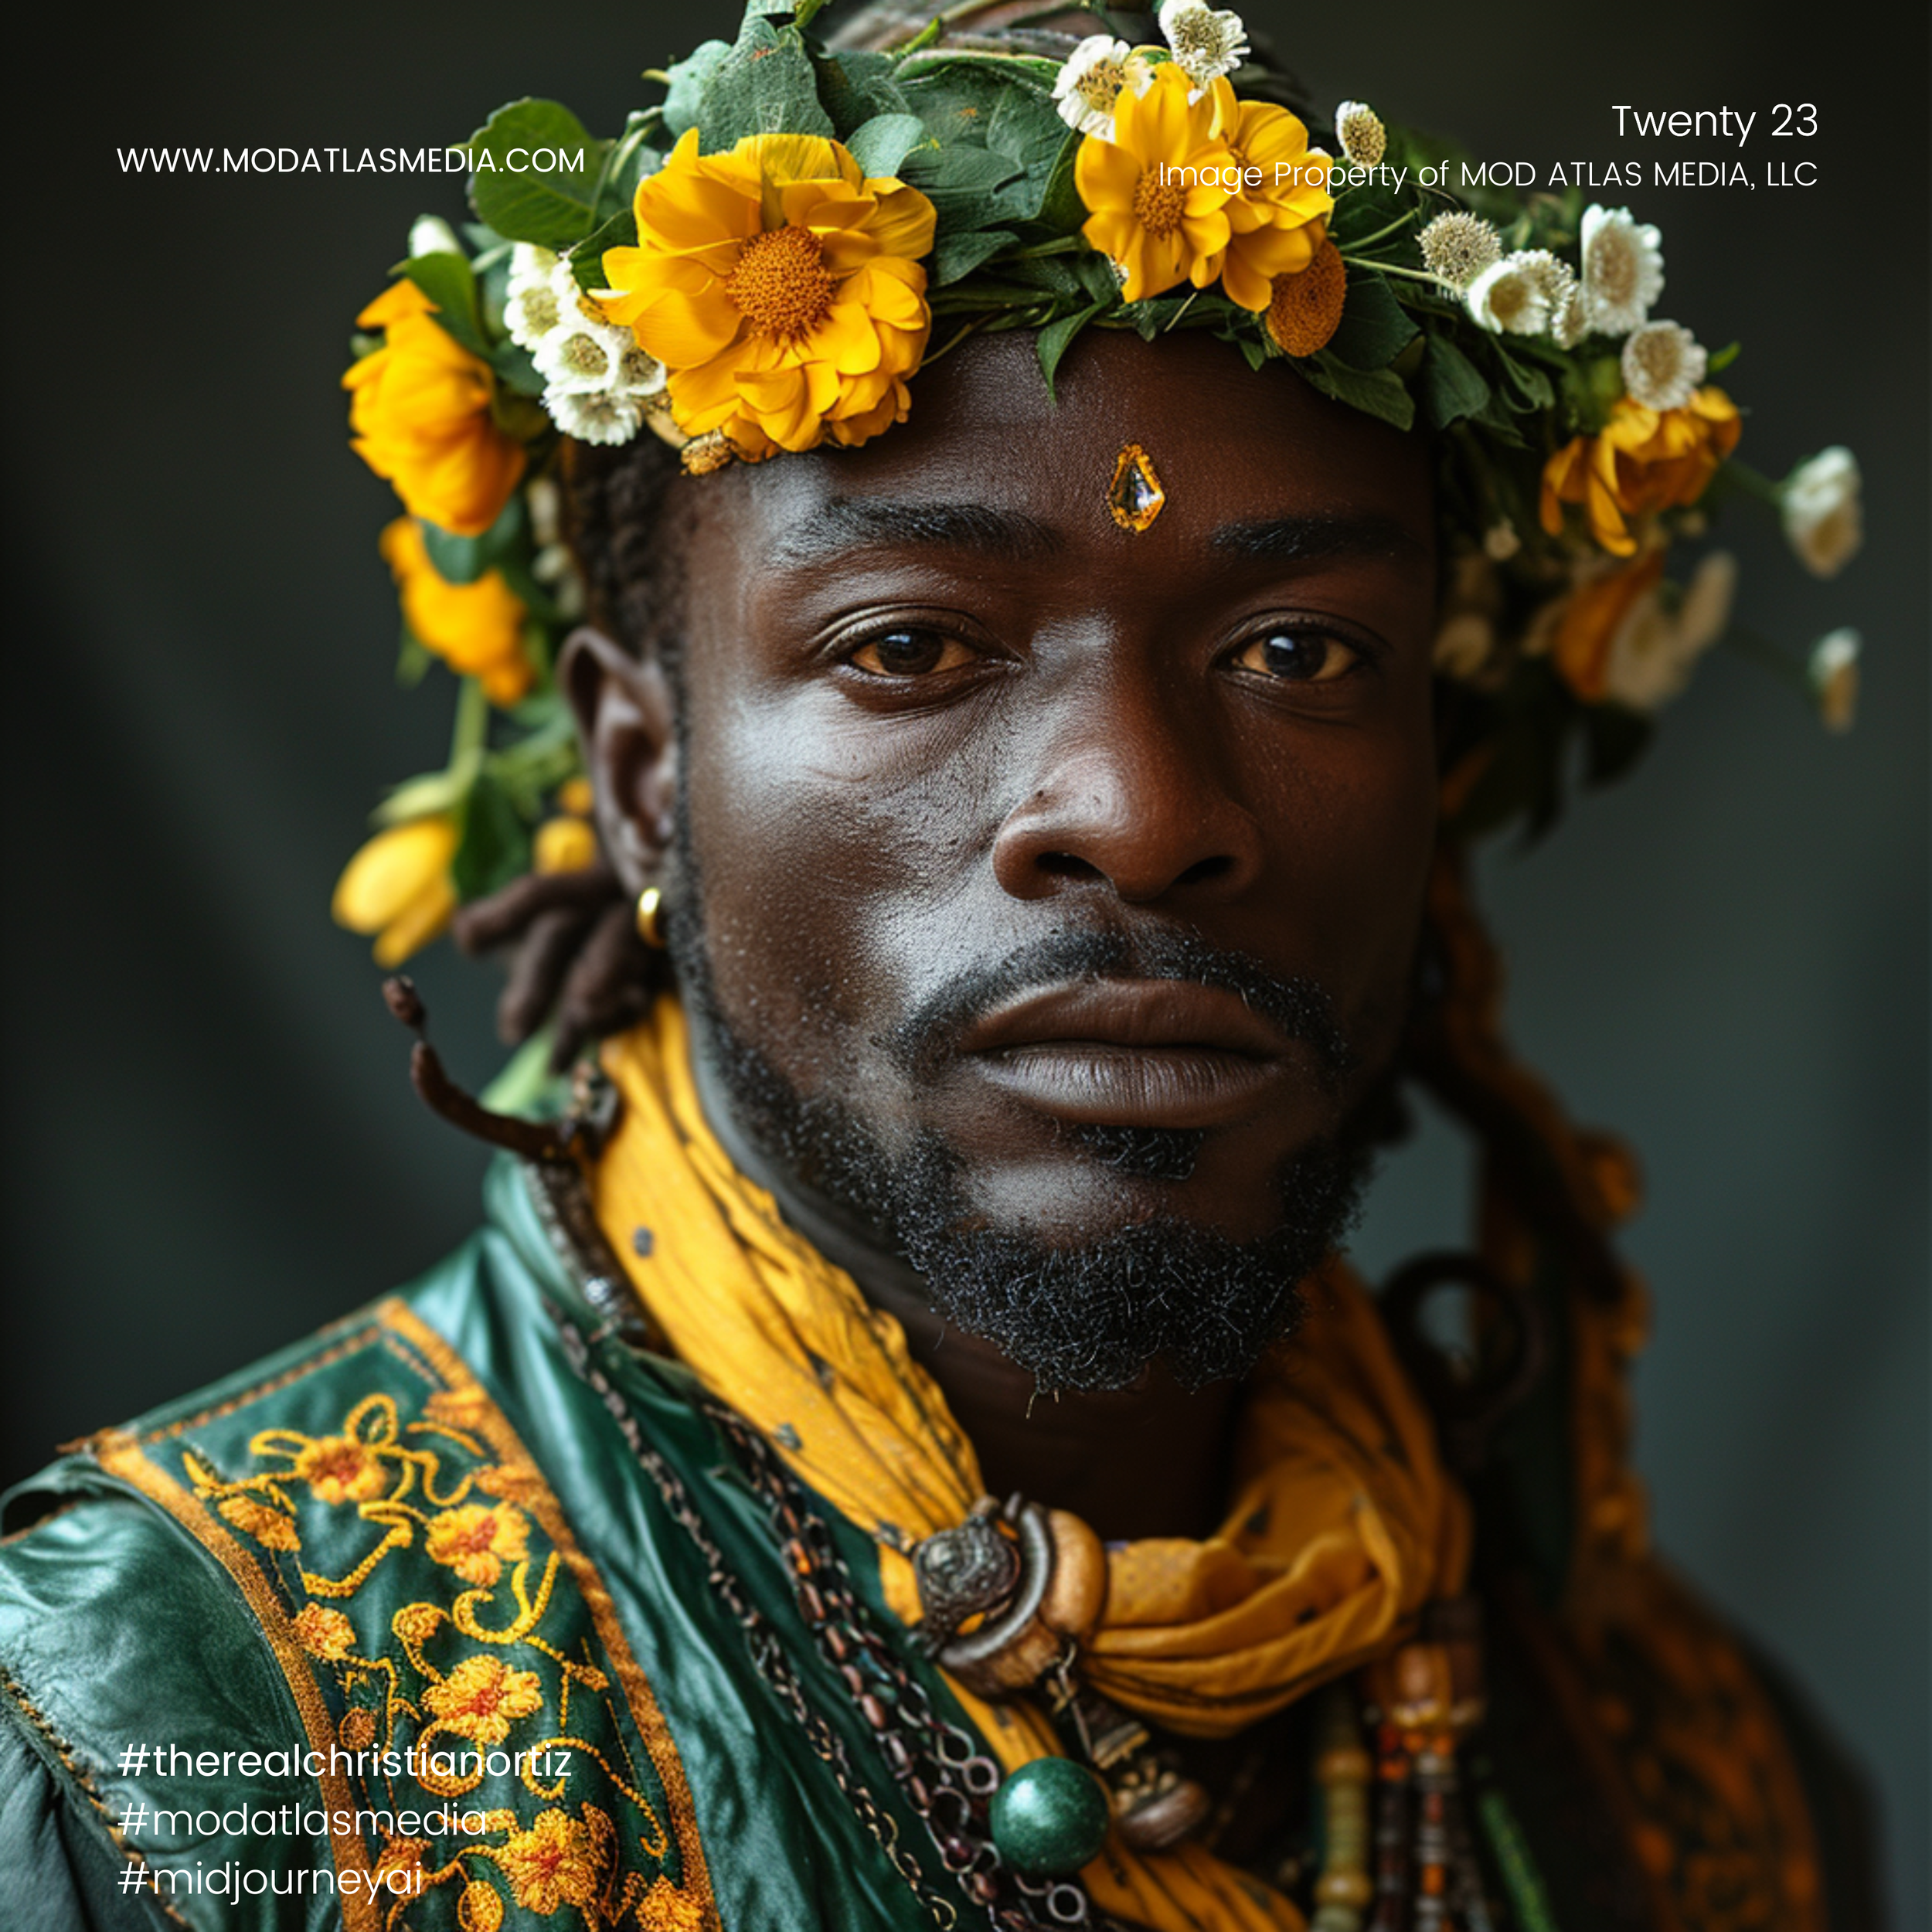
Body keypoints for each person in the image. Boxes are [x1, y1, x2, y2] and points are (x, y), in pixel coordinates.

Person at [0, 2, 1879, 1927]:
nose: (1141, 814)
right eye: (910, 644)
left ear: (1439, 774)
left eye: (1298, 650)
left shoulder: (1695, 1781)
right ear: (642, 773)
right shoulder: (162, 1734)